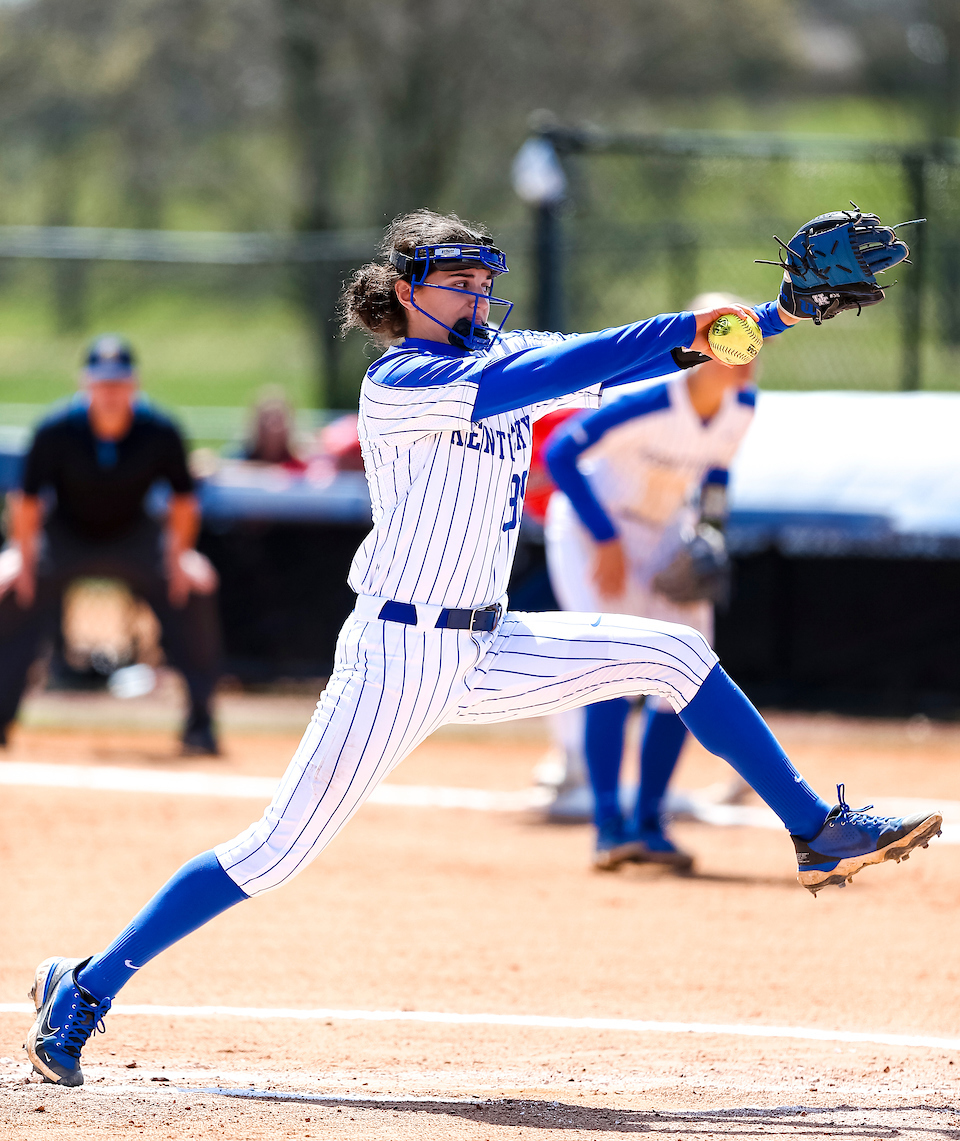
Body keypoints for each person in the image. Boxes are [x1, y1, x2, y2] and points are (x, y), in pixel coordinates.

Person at [25, 211, 941, 1089]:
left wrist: (772, 316)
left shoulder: (498, 355)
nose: (476, 294)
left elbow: (635, 363)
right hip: (394, 658)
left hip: (488, 643)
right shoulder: (400, 383)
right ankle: (88, 987)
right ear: (405, 291)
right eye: (456, 280)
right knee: (273, 855)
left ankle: (817, 833)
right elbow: (580, 363)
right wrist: (694, 326)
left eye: (483, 279)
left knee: (674, 653)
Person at [544, 293, 759, 870]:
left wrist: (708, 532)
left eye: (750, 338)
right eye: (727, 337)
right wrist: (607, 540)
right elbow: (561, 452)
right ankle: (611, 829)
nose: (745, 352)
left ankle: (650, 822)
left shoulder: (742, 407)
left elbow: (715, 472)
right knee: (612, 668)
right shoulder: (650, 399)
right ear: (700, 347)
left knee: (690, 666)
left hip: (665, 532)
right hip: (596, 528)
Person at [0, 335, 221, 755]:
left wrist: (180, 558)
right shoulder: (55, 429)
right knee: (10, 591)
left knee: (196, 588)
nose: (111, 392)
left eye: (119, 382)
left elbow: (183, 501)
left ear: (134, 385)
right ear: (85, 385)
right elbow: (26, 502)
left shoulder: (158, 429)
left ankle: (201, 724)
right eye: (102, 383)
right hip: (64, 534)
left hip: (135, 533)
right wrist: (19, 558)